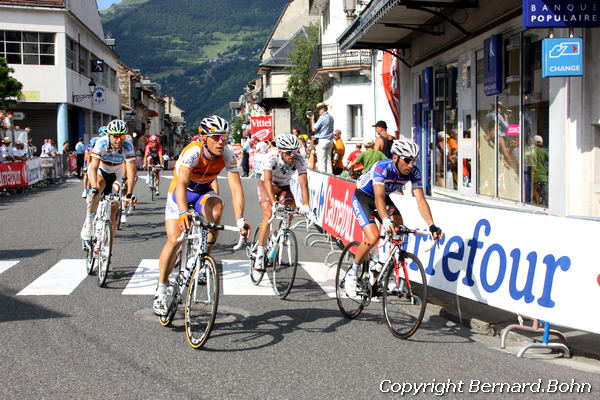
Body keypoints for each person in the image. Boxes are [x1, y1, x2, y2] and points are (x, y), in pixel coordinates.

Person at [153, 115, 249, 316]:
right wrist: (182, 213)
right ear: (204, 138)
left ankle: (204, 254)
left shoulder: (228, 154)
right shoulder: (193, 151)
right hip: (181, 192)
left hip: (202, 192)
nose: (221, 141)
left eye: (224, 136)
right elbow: (181, 184)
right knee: (174, 239)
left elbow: (236, 188)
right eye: (216, 137)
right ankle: (161, 289)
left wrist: (240, 220)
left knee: (217, 208)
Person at [346, 138, 443, 297]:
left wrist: (432, 225)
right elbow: (378, 197)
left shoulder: (414, 172)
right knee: (373, 237)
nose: (411, 165)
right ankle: (352, 272)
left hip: (384, 198)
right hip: (364, 197)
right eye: (407, 160)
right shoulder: (382, 167)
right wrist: (384, 219)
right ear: (396, 157)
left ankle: (385, 269)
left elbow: (420, 199)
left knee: (399, 229)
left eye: (414, 161)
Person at [253, 134, 310, 271]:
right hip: (268, 185)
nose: (292, 155)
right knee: (268, 214)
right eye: (288, 152)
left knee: (291, 209)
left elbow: (303, 183)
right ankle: (260, 254)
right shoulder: (271, 157)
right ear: (280, 151)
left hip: (284, 187)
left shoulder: (299, 159)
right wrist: (274, 202)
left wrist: (306, 205)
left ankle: (277, 235)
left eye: (294, 151)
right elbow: (267, 180)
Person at [80, 119, 137, 243]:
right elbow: (94, 166)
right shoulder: (101, 143)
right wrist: (94, 187)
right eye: (115, 136)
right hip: (101, 169)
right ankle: (89, 221)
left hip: (116, 172)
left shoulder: (127, 145)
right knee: (100, 185)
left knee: (114, 208)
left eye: (121, 136)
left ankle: (106, 247)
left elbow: (131, 170)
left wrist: (130, 193)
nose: (118, 140)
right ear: (109, 135)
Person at [309, 102, 334, 174]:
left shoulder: (322, 117)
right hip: (329, 140)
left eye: (319, 109)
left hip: (322, 140)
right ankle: (330, 177)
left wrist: (312, 120)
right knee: (328, 161)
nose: (318, 111)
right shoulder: (331, 117)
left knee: (321, 162)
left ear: (323, 109)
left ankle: (323, 178)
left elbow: (314, 129)